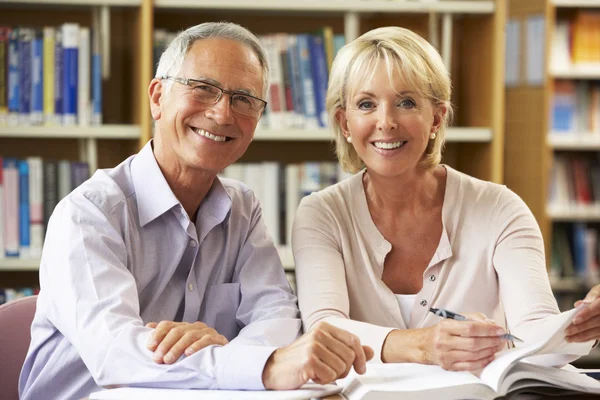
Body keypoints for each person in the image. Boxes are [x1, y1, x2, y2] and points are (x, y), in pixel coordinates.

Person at [19, 22, 372, 400]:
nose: (222, 114)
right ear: (157, 97)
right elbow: (116, 355)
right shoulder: (88, 214)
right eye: (203, 89)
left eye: (243, 99)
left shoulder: (243, 209)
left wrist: (224, 352)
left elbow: (277, 317)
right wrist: (258, 364)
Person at [292, 26, 594, 372]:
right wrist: (423, 345)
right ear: (344, 123)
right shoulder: (321, 214)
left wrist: (582, 323)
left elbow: (537, 337)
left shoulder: (501, 209)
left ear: (436, 117)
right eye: (366, 104)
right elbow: (325, 328)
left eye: (406, 102)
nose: (386, 122)